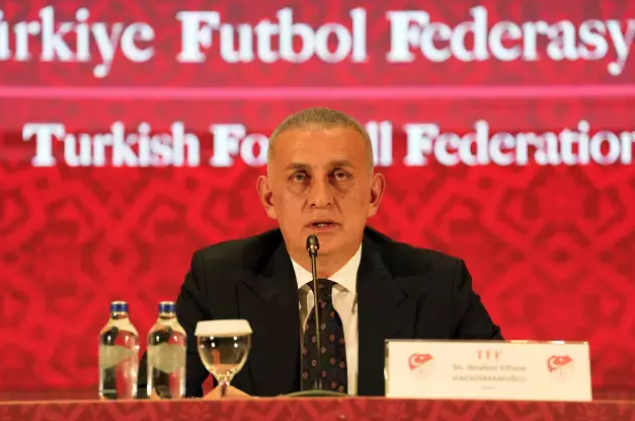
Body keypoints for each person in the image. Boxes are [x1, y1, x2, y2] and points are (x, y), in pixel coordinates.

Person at [139, 107, 502, 398]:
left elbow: (508, 395)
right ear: (269, 197)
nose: (321, 198)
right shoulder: (219, 279)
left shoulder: (438, 284)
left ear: (373, 194)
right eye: (300, 177)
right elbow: (150, 399)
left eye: (339, 175)